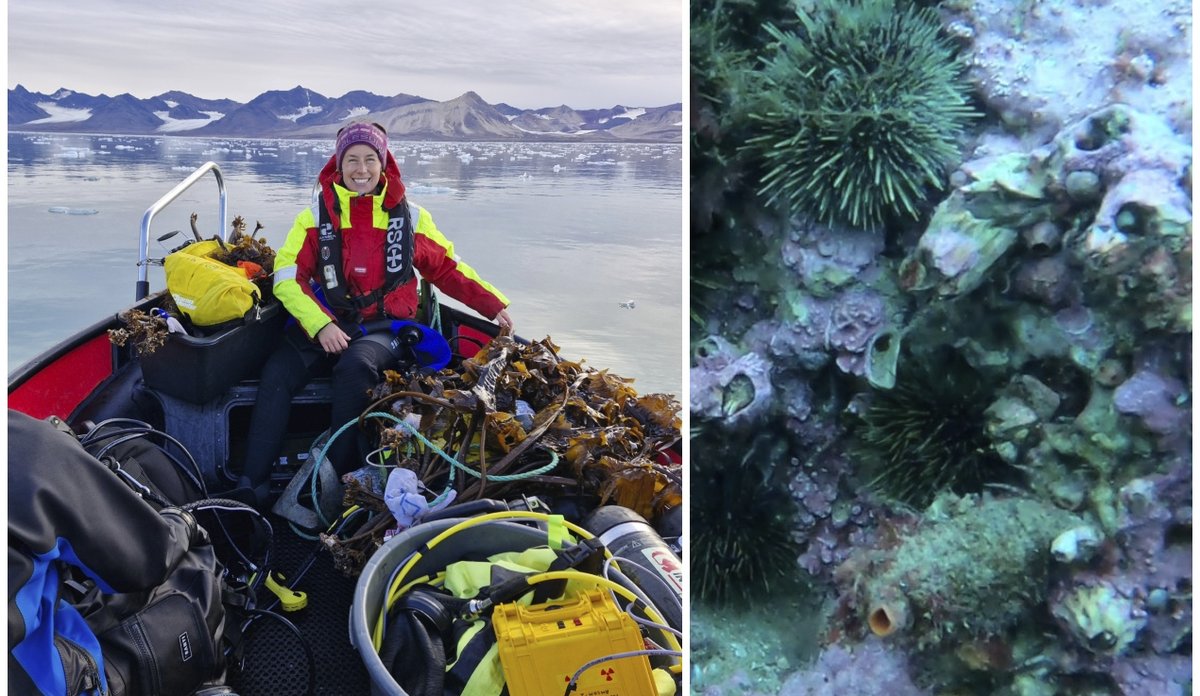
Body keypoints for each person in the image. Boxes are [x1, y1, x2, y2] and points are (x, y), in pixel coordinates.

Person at [233, 121, 512, 507]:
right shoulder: (314, 216)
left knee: (355, 368)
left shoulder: (412, 217)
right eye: (351, 159)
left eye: (369, 159)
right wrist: (321, 324)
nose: (361, 169)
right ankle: (252, 486)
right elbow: (286, 277)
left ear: (383, 164)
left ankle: (332, 489)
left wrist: (493, 305)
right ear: (339, 164)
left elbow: (447, 268)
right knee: (278, 372)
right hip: (328, 321)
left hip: (386, 327)